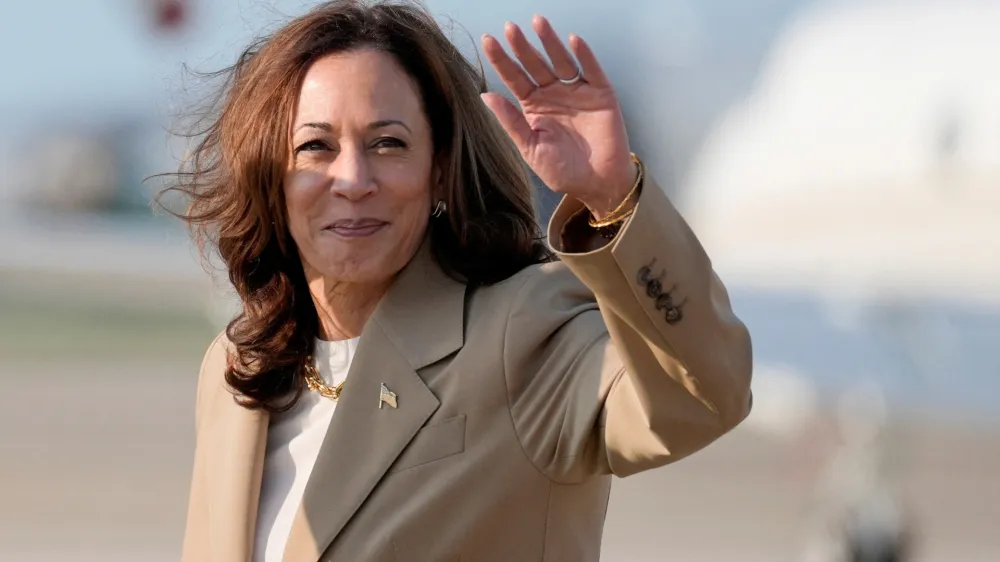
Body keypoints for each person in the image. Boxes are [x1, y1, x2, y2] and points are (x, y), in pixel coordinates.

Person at [169, 1, 753, 560]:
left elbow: (699, 398)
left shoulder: (520, 331)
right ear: (270, 175)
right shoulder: (236, 372)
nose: (352, 179)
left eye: (388, 144)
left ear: (440, 168)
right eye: (315, 146)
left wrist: (613, 196)